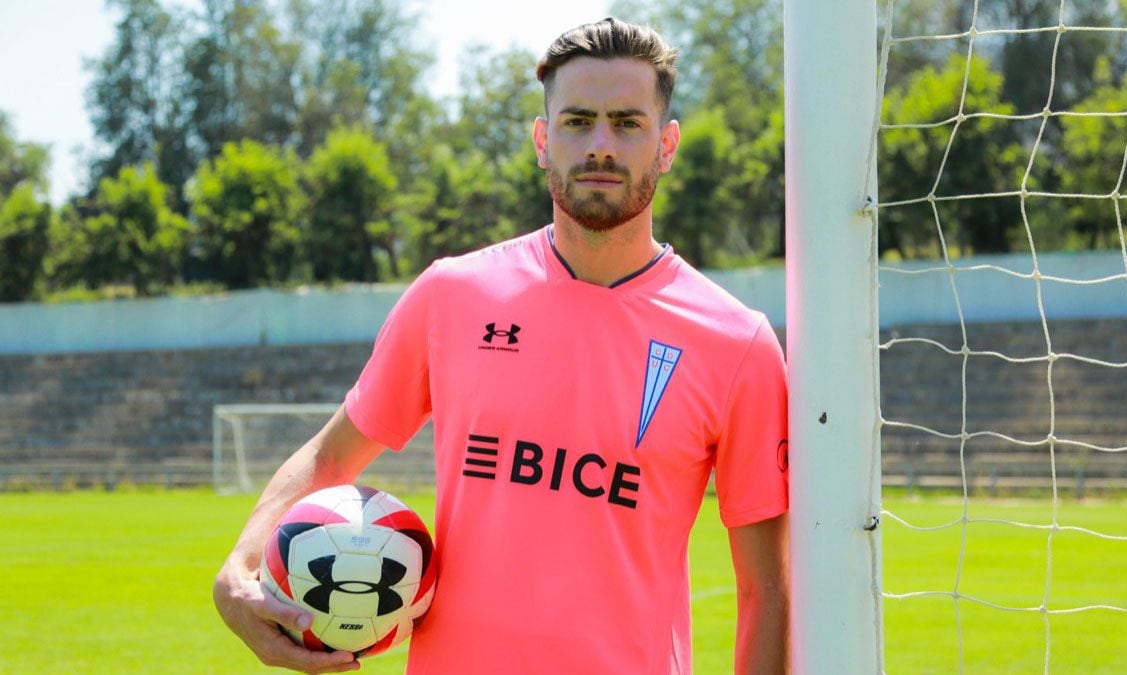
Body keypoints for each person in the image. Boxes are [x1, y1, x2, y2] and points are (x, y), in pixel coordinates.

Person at [213, 17, 790, 675]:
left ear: (667, 143)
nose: (601, 144)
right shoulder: (452, 295)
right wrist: (242, 560)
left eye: (628, 123)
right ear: (543, 139)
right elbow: (330, 452)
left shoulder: (735, 342)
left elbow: (766, 588)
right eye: (577, 121)